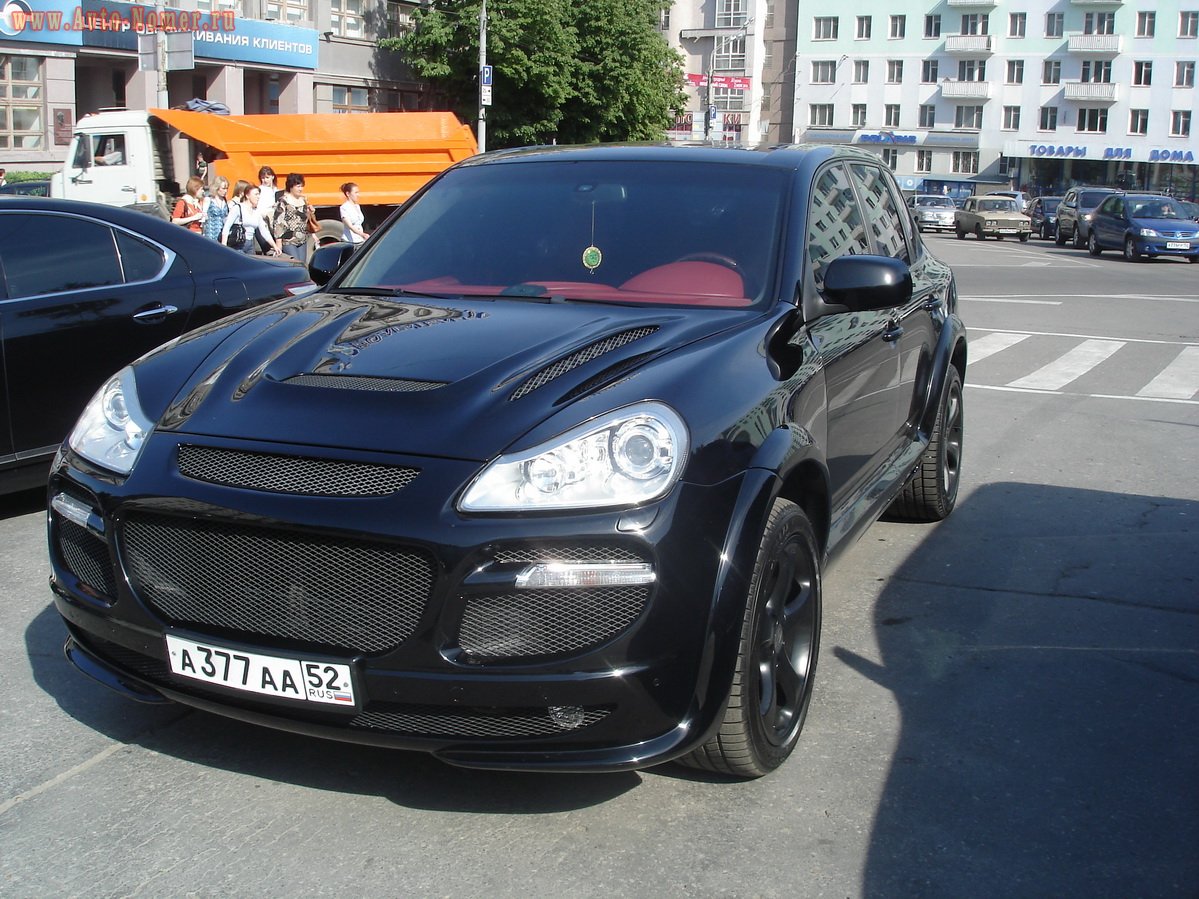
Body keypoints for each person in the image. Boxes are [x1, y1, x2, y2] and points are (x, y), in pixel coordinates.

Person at [221, 180, 276, 255]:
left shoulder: (256, 212)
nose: (258, 197)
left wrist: (274, 246)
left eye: (259, 194)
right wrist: (224, 246)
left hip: (250, 244)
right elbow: (227, 227)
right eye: (256, 194)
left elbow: (264, 231)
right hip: (238, 243)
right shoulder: (238, 208)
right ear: (247, 195)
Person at [271, 172, 316, 263]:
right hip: (288, 240)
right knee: (295, 264)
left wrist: (313, 234)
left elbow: (307, 221)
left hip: (302, 239)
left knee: (302, 265)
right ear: (291, 186)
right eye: (298, 186)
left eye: (301, 186)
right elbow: (278, 222)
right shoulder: (283, 201)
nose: (301, 189)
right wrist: (278, 242)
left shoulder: (303, 200)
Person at [255, 165, 278, 254]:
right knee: (267, 249)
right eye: (263, 178)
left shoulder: (276, 190)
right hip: (264, 222)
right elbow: (259, 208)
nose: (265, 180)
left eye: (267, 177)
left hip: (275, 223)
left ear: (272, 177)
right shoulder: (260, 190)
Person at [201, 176, 230, 243]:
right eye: (223, 188)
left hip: (222, 235)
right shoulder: (209, 200)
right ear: (216, 188)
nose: (225, 191)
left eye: (226, 188)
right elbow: (203, 218)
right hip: (210, 233)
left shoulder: (225, 201)